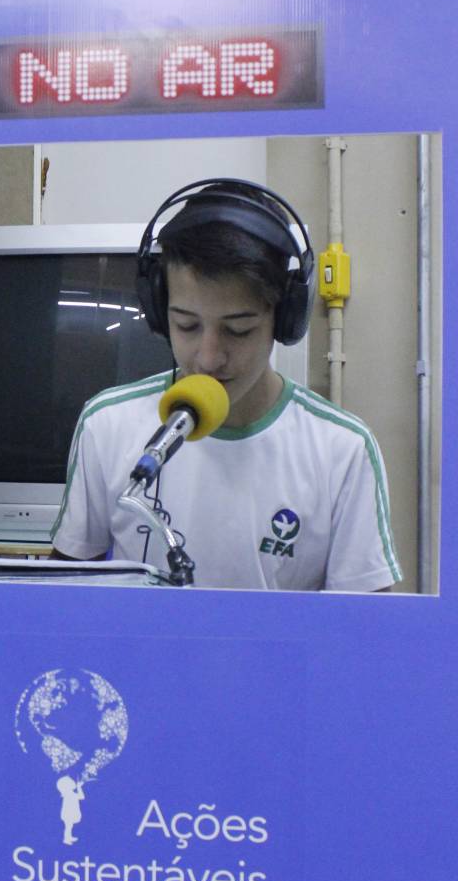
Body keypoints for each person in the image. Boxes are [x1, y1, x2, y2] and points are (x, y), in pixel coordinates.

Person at [49, 178, 400, 592]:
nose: (208, 357)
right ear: (160, 313)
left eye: (238, 330)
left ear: (284, 319)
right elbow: (63, 597)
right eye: (186, 325)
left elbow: (365, 624)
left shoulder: (342, 450)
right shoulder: (107, 425)